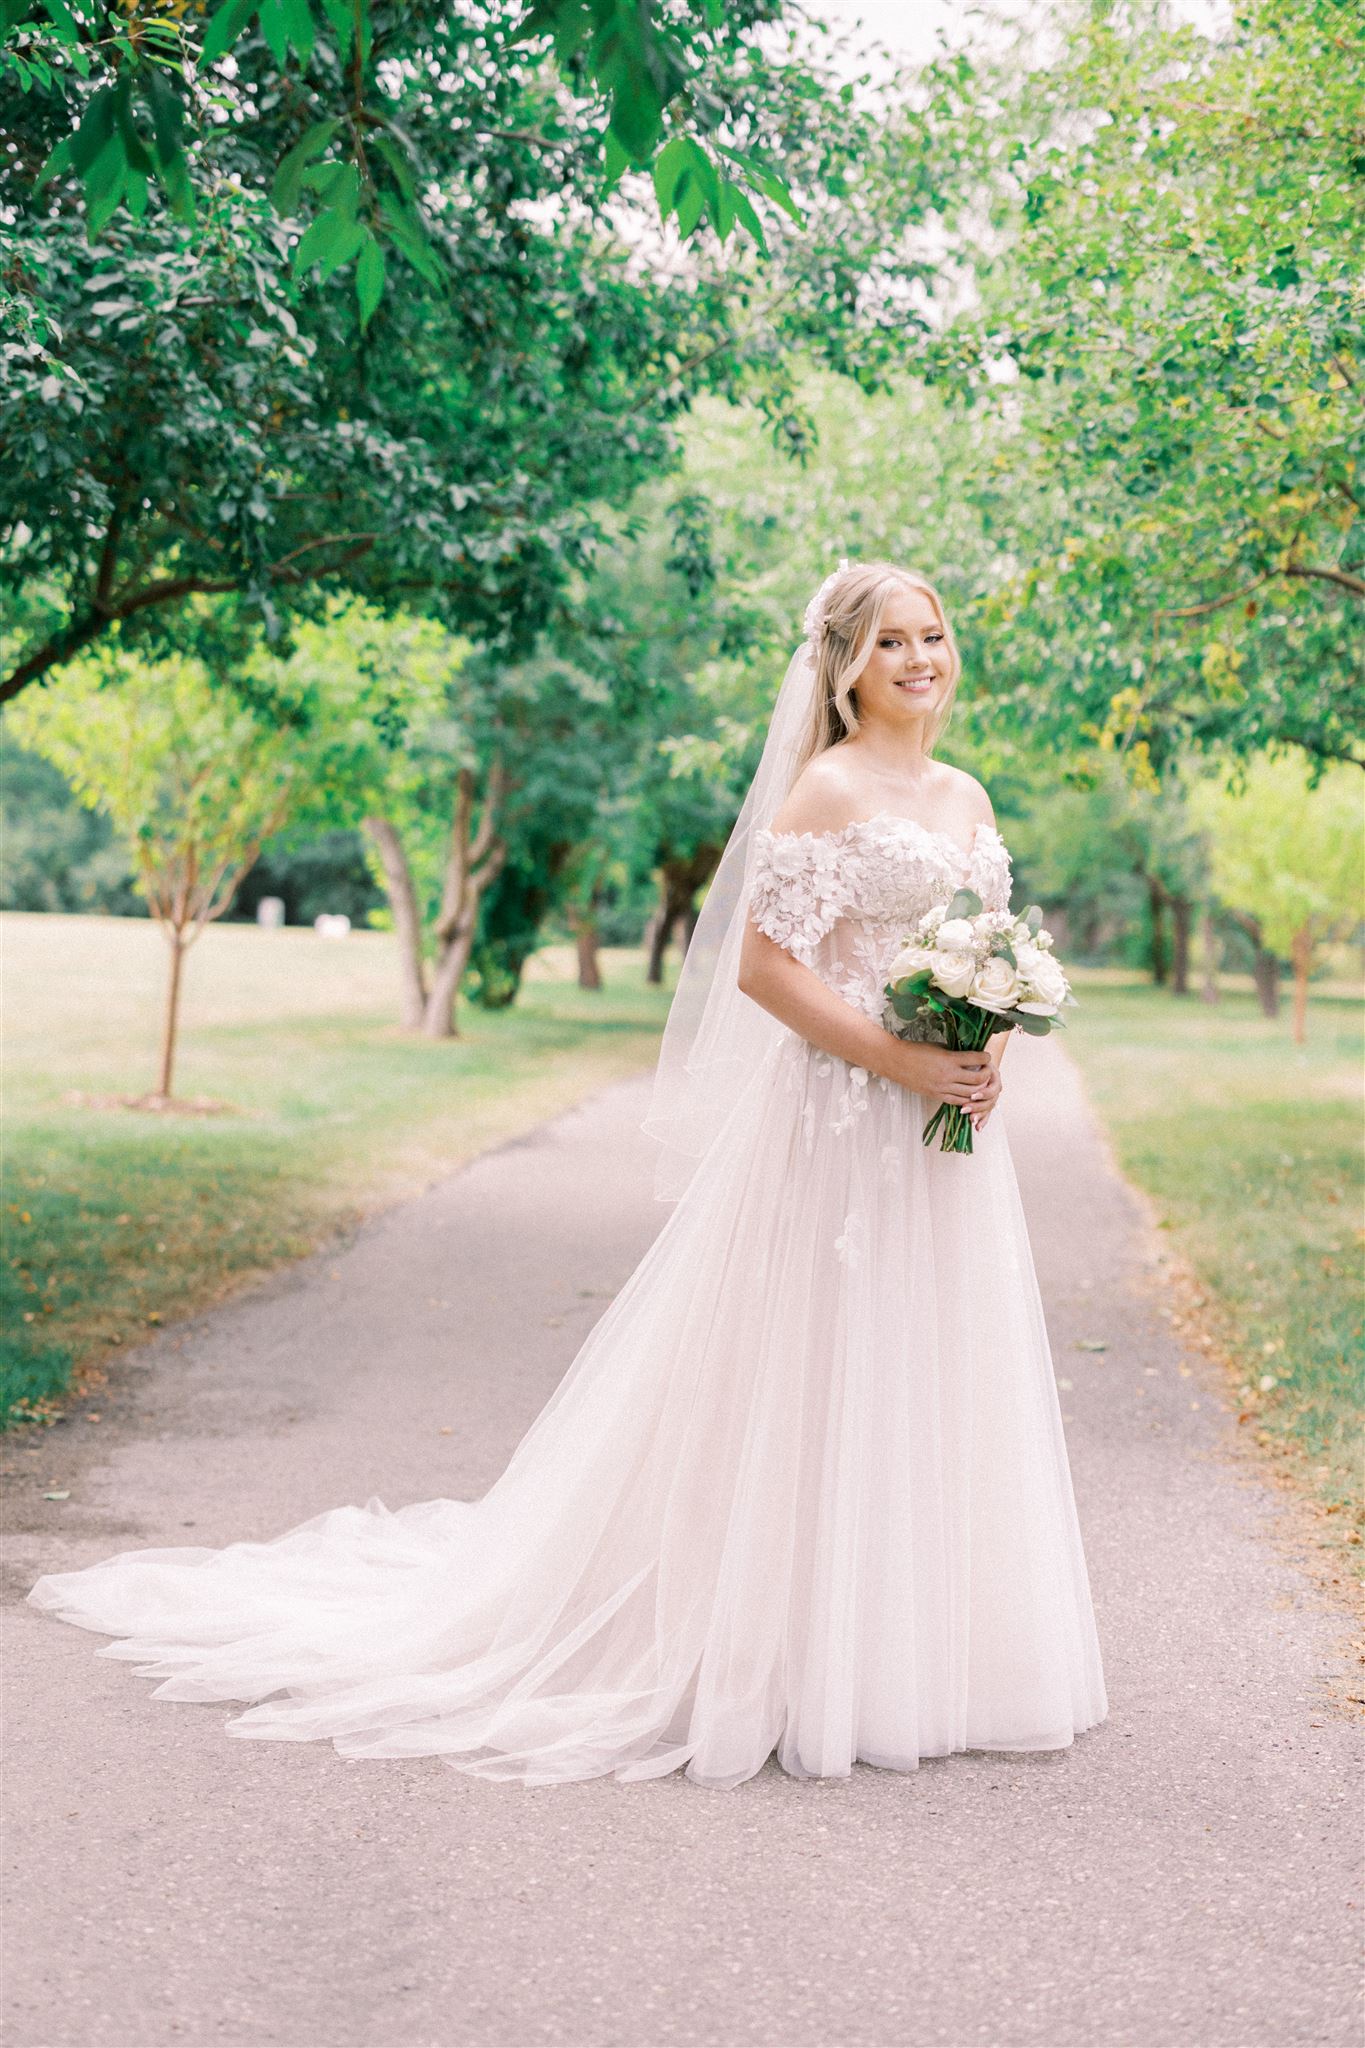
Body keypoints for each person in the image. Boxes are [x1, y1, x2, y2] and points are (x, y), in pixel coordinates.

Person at [28, 560, 1107, 1790]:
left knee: (927, 1360)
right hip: (844, 1117)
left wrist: (986, 1044)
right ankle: (793, 1651)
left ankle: (929, 1647)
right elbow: (764, 969)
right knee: (824, 1360)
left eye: (935, 634)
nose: (922, 658)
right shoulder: (825, 788)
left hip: (943, 1133)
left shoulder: (965, 792)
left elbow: (998, 952)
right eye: (892, 642)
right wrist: (901, 1061)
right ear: (844, 665)